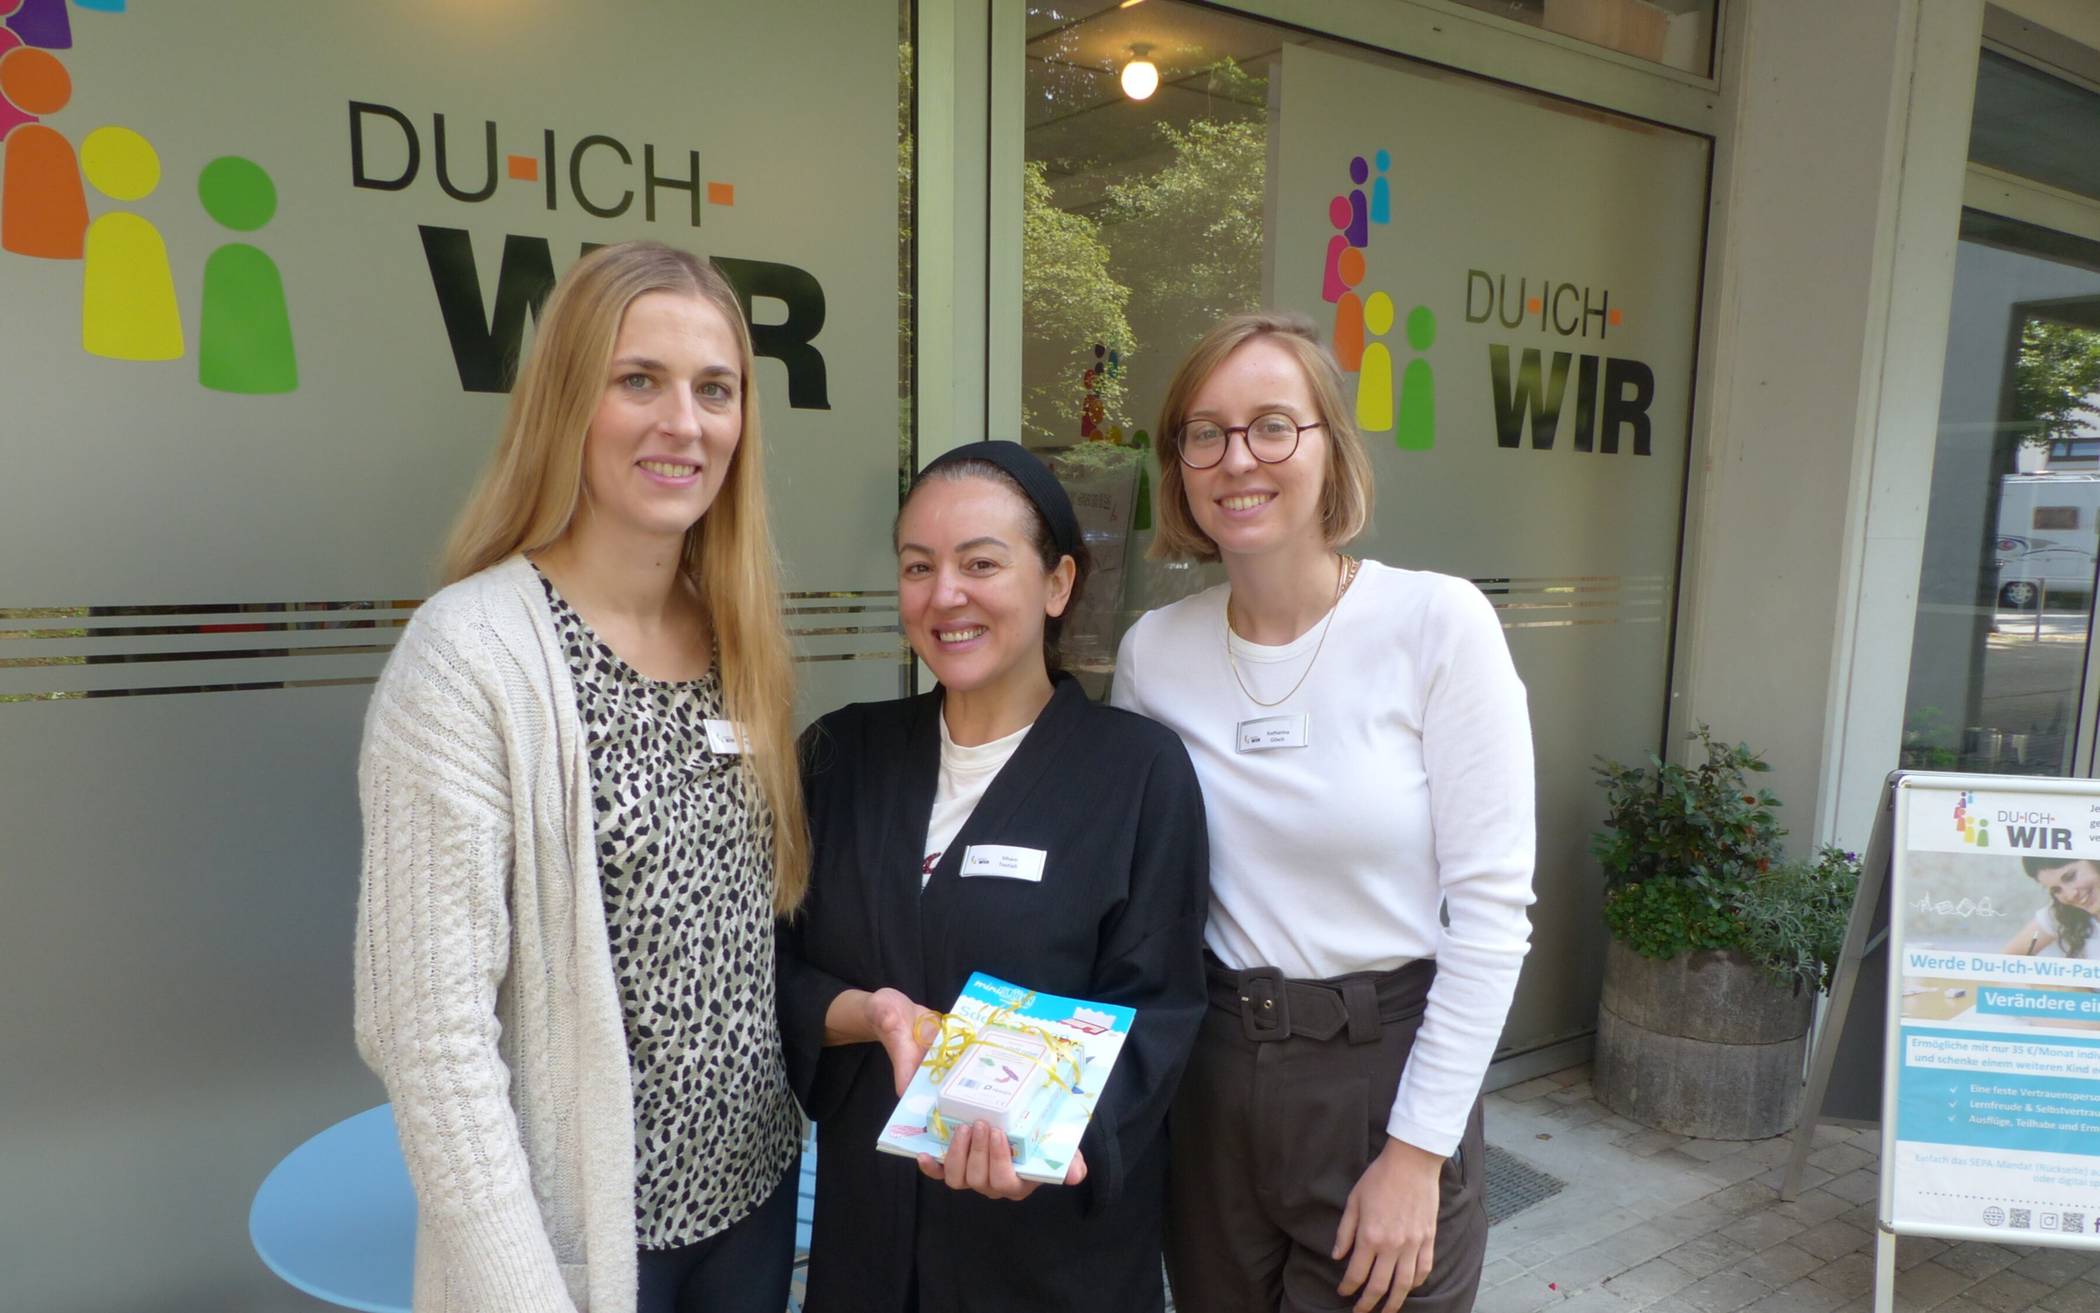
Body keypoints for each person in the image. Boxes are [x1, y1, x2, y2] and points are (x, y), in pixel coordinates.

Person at [352, 241, 807, 1313]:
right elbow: (428, 1037)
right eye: (637, 379)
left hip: (752, 1208)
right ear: (568, 399)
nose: (682, 423)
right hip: (588, 1251)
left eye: (716, 389)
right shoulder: (468, 655)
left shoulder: (737, 637)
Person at [1110, 312, 1537, 1313]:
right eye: (1204, 433)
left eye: (1272, 425)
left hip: (1382, 1078)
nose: (1237, 458)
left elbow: (1491, 916)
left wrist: (1416, 1153)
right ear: (1179, 465)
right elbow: (1135, 891)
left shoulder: (1437, 624)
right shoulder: (1154, 651)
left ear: (1327, 445)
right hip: (1212, 1081)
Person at [778, 441, 1209, 1313]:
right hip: (869, 1244)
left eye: (981, 563)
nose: (946, 595)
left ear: (1056, 584)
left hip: (1047, 1255)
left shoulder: (1136, 774)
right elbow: (770, 963)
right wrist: (870, 1013)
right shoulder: (841, 755)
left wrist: (1057, 1143)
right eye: (918, 566)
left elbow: (1157, 1005)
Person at [2007, 857, 2100, 958]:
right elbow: (2004, 962)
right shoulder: (2062, 914)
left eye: (2070, 877)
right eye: (2056, 890)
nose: (2071, 895)